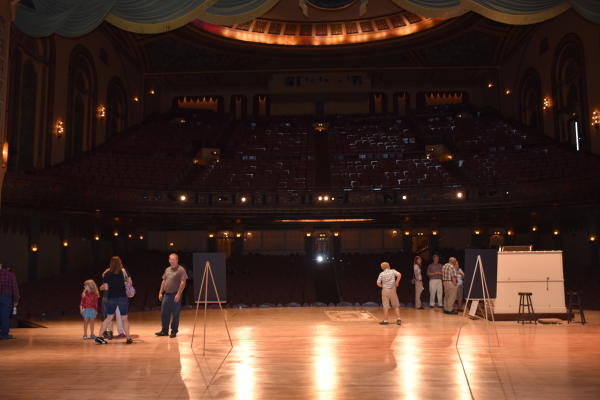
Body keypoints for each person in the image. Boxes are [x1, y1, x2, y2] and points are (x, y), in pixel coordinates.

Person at [95, 257, 133, 344]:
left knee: (109, 318)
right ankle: (128, 338)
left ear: (111, 263)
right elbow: (130, 283)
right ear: (120, 263)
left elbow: (106, 288)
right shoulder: (124, 271)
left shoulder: (107, 274)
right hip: (122, 297)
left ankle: (99, 336)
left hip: (111, 298)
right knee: (124, 318)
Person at [156, 253, 188, 338]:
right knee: (164, 313)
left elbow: (183, 282)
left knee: (175, 314)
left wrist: (178, 294)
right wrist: (160, 292)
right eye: (170, 259)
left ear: (177, 260)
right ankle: (164, 331)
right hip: (166, 295)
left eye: (174, 259)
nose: (172, 261)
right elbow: (163, 281)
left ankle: (174, 331)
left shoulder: (181, 270)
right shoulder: (167, 269)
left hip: (175, 295)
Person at [0, 264, 19, 340]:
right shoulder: (11, 275)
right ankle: (4, 335)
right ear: (8, 268)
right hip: (6, 297)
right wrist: (16, 300)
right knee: (5, 317)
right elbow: (14, 287)